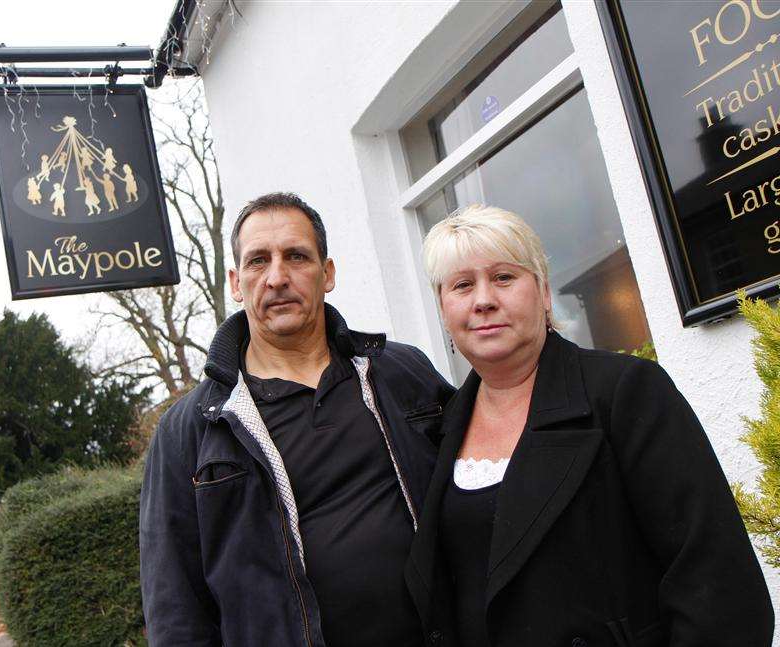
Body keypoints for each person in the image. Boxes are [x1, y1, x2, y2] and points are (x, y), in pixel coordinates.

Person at [406, 205, 774, 647]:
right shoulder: (440, 429)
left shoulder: (624, 392)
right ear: (444, 309)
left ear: (543, 292)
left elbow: (718, 586)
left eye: (504, 277)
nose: (483, 299)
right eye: (462, 285)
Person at [140, 192, 453, 647]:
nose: (277, 277)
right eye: (258, 261)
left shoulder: (400, 372)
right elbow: (174, 604)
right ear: (235, 281)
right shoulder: (191, 429)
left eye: (296, 256)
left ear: (327, 274)